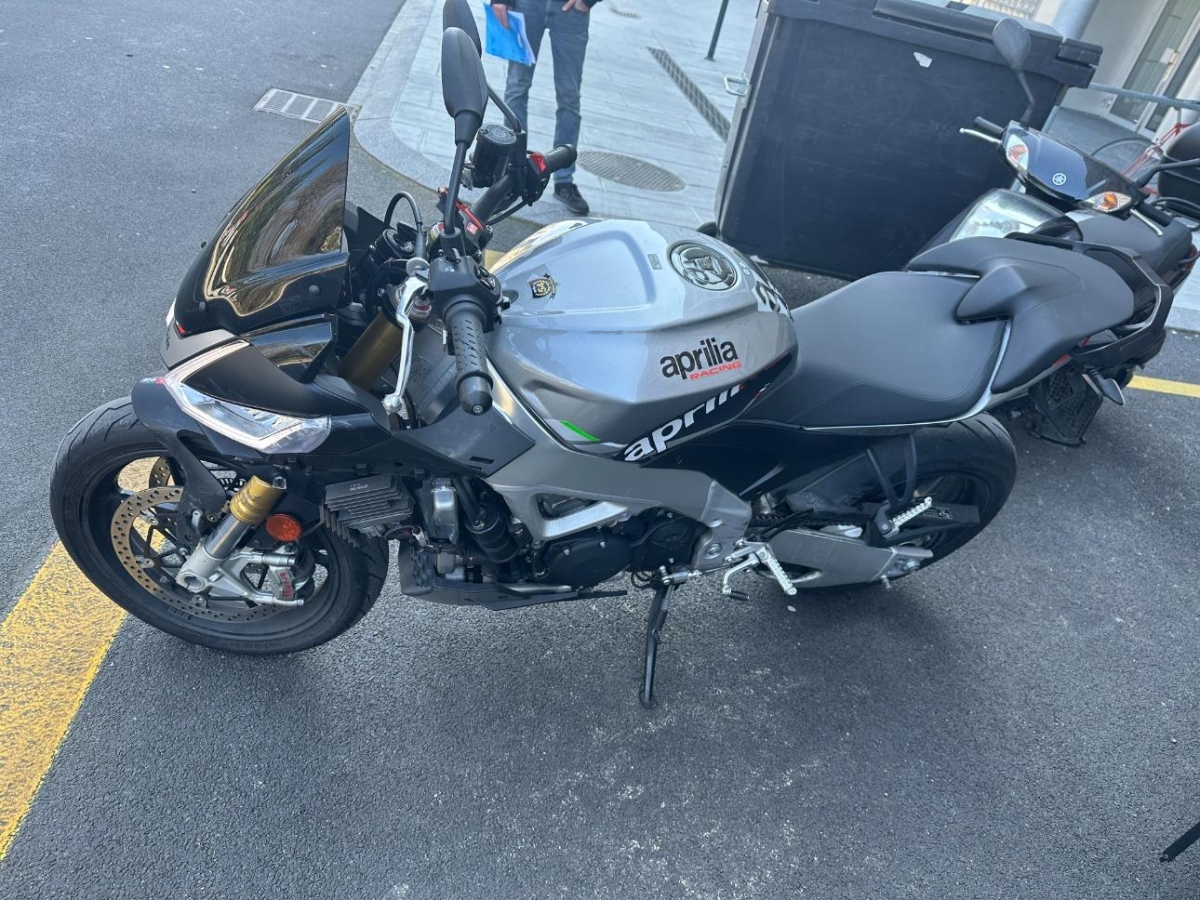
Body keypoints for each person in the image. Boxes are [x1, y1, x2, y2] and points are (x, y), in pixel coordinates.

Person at [490, 0, 600, 215]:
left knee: (569, 97)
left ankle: (563, 180)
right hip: (527, 6)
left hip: (571, 11)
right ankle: (513, 172)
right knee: (516, 88)